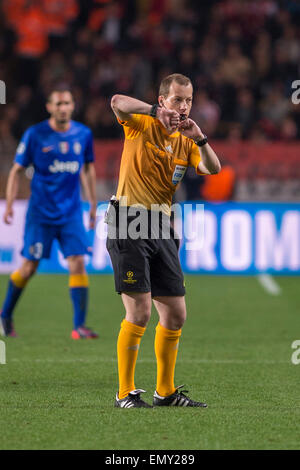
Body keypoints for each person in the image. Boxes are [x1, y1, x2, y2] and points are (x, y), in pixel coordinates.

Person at [107, 73, 221, 408]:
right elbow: (116, 101)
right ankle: (125, 393)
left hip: (162, 225)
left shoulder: (187, 140)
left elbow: (213, 168)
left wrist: (200, 138)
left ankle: (165, 392)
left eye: (188, 100)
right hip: (128, 220)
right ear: (162, 101)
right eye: (176, 100)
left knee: (175, 313)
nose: (183, 106)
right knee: (140, 311)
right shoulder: (141, 123)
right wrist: (151, 112)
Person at [0, 89, 98, 340]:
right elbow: (16, 171)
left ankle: (79, 326)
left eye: (67, 103)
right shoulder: (35, 135)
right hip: (40, 214)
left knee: (77, 263)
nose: (63, 107)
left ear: (73, 106)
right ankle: (5, 316)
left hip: (71, 214)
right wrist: (10, 204)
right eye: (58, 103)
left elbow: (88, 169)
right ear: (49, 107)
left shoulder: (83, 134)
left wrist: (93, 204)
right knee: (29, 267)